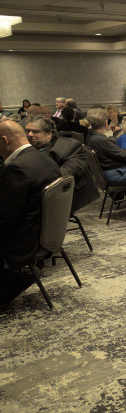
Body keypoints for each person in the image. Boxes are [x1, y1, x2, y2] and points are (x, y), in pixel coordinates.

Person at [0, 119, 62, 304]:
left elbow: (4, 220)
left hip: (22, 242)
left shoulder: (16, 168)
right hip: (44, 233)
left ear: (4, 141)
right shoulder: (46, 159)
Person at [24, 115, 100, 213]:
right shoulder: (26, 147)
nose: (29, 134)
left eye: (35, 131)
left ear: (49, 134)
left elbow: (68, 172)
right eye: (27, 131)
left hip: (65, 194)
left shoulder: (69, 146)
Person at [85, 109, 126, 217]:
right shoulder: (101, 140)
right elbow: (123, 156)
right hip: (114, 174)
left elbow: (120, 153)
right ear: (106, 122)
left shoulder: (91, 137)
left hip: (108, 174)